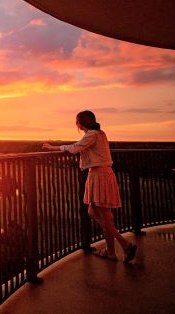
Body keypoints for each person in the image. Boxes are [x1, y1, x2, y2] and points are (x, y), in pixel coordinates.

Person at [43, 110, 138, 262]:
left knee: (105, 217)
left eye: (77, 121)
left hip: (99, 175)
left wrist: (53, 147)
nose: (76, 124)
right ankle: (119, 246)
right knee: (93, 212)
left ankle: (117, 249)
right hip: (99, 174)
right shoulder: (99, 133)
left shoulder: (92, 135)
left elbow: (75, 148)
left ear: (80, 123)